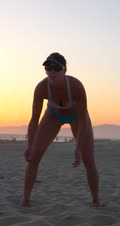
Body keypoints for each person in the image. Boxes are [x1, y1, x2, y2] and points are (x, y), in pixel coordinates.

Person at [23, 52, 100, 207]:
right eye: (48, 68)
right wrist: (29, 145)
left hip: (78, 118)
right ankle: (25, 201)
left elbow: (84, 118)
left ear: (65, 70)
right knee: (34, 157)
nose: (52, 72)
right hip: (53, 116)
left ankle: (96, 201)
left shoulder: (76, 86)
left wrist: (78, 148)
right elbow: (33, 120)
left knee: (88, 159)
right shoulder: (42, 87)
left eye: (56, 68)